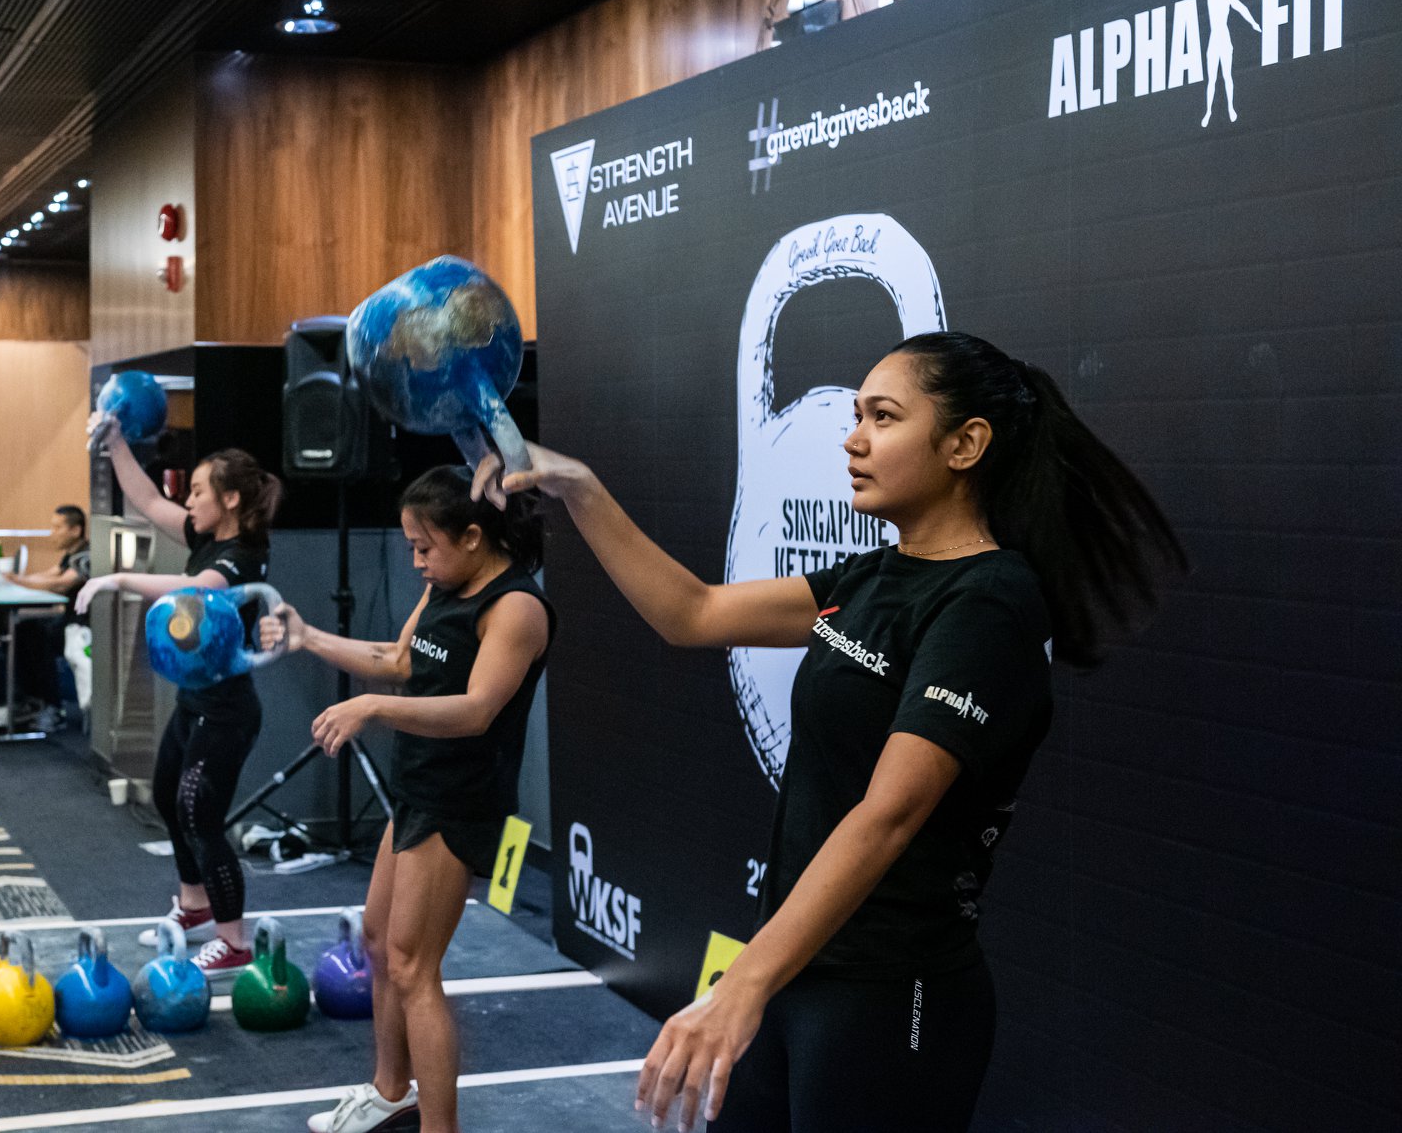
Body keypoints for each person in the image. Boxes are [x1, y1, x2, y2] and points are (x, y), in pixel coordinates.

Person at [472, 331, 1185, 1133]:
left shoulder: (989, 601)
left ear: (965, 444)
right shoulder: (874, 574)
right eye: (856, 415)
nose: (853, 438)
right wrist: (581, 488)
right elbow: (693, 612)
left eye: (883, 417)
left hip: (889, 995)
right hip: (794, 971)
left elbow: (892, 813)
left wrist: (741, 985)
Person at [260, 467, 554, 1133]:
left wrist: (372, 708)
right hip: (417, 785)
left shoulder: (516, 607)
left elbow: (478, 709)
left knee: (415, 965)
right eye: (412, 547)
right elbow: (398, 659)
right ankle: (391, 1090)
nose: (417, 560)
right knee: (376, 938)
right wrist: (310, 638)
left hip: (460, 797)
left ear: (474, 536)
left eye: (426, 546)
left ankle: (437, 1126)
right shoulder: (443, 586)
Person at [78, 421, 282, 979]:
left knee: (201, 816)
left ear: (231, 499)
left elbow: (197, 592)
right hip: (195, 702)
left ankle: (234, 941)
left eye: (197, 491)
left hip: (228, 711)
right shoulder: (205, 537)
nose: (186, 501)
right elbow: (144, 500)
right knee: (169, 797)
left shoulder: (243, 554)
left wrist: (116, 578)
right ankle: (194, 907)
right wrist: (115, 442)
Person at [6, 504, 91, 725]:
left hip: (84, 625)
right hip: (68, 620)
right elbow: (49, 574)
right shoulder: (70, 555)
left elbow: (63, 584)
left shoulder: (86, 555)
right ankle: (33, 700)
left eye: (57, 528)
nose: (52, 533)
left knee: (38, 637)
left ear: (76, 530)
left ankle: (53, 707)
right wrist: (16, 580)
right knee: (24, 629)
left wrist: (20, 581)